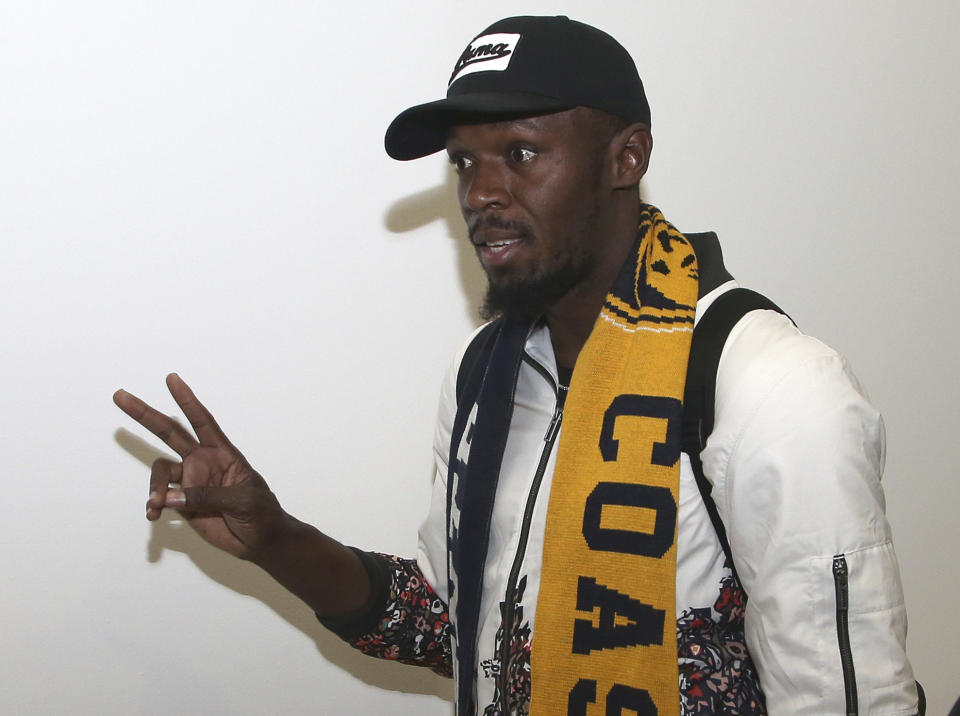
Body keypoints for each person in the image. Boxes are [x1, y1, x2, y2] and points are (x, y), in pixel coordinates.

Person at [113, 15, 920, 716]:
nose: (482, 194)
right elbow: (451, 625)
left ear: (625, 157)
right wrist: (275, 538)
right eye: (465, 162)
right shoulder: (486, 373)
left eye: (522, 152)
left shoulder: (769, 385)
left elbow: (846, 699)